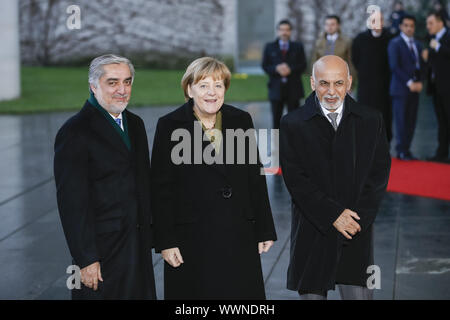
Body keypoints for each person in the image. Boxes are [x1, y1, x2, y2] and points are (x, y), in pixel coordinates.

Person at [151, 57, 277, 299]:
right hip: (192, 240)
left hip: (238, 234)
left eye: (218, 85)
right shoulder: (169, 125)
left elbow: (255, 177)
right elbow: (160, 189)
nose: (212, 93)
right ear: (189, 89)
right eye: (203, 85)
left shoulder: (241, 120)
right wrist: (166, 241)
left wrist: (264, 228)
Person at [280, 55, 391, 300]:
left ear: (349, 83)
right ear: (312, 83)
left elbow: (378, 174)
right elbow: (296, 179)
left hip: (355, 229)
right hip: (312, 229)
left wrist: (356, 218)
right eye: (324, 83)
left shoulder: (371, 120)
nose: (331, 92)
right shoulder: (293, 123)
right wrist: (332, 215)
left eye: (338, 83)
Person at [54, 54, 156, 299]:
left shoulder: (136, 124)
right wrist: (86, 258)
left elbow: (143, 183)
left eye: (127, 82)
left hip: (137, 244)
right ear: (93, 85)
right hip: (102, 251)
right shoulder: (75, 131)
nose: (122, 90)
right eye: (112, 82)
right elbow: (72, 203)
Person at [388, 14, 426, 160]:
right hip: (400, 89)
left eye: (411, 26)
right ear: (401, 27)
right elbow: (394, 67)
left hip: (415, 88)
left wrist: (420, 81)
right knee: (401, 121)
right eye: (406, 25)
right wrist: (410, 83)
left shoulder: (417, 45)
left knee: (411, 120)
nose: (409, 28)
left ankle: (407, 149)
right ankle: (401, 151)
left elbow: (421, 66)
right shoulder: (394, 43)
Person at [353, 11, 394, 142]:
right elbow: (355, 59)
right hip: (366, 84)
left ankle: (384, 143)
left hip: (385, 84)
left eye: (379, 20)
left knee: (385, 114)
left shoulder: (390, 37)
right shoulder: (360, 39)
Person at [262, 19, 307, 129]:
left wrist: (290, 69)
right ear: (278, 31)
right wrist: (276, 68)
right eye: (282, 30)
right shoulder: (269, 47)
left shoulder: (298, 46)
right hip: (276, 89)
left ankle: (294, 143)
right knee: (276, 120)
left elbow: (303, 65)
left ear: (290, 32)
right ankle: (276, 144)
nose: (284, 32)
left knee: (295, 120)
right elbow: (265, 65)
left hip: (294, 89)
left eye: (287, 30)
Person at [424, 11, 450, 163]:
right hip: (436, 88)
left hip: (448, 88)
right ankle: (441, 154)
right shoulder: (432, 39)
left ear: (440, 22)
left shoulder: (446, 37)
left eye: (431, 23)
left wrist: (438, 47)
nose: (428, 26)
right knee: (442, 121)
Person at [311, 15, 356, 85]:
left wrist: (350, 83)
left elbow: (351, 63)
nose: (329, 27)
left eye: (332, 24)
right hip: (322, 81)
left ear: (338, 26)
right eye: (327, 24)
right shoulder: (319, 42)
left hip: (341, 81)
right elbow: (314, 62)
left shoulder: (346, 41)